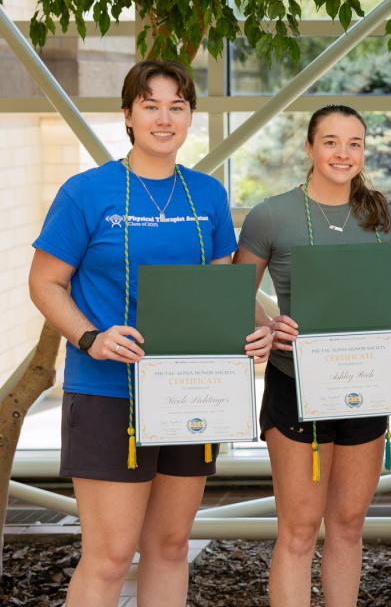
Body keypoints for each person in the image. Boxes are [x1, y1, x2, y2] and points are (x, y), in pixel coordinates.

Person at [28, 60, 271, 607]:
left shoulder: (206, 195)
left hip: (190, 390)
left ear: (190, 118)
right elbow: (45, 283)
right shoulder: (87, 192)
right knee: (111, 556)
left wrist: (256, 327)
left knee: (170, 544)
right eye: (151, 105)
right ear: (128, 116)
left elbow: (222, 283)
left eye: (177, 107)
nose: (165, 118)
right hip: (109, 393)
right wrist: (91, 337)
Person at [234, 104, 391, 607]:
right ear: (311, 148)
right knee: (297, 529)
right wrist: (267, 327)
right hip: (294, 385)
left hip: (365, 383)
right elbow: (234, 292)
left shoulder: (385, 213)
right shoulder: (271, 215)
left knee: (348, 525)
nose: (344, 153)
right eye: (332, 142)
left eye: (355, 143)